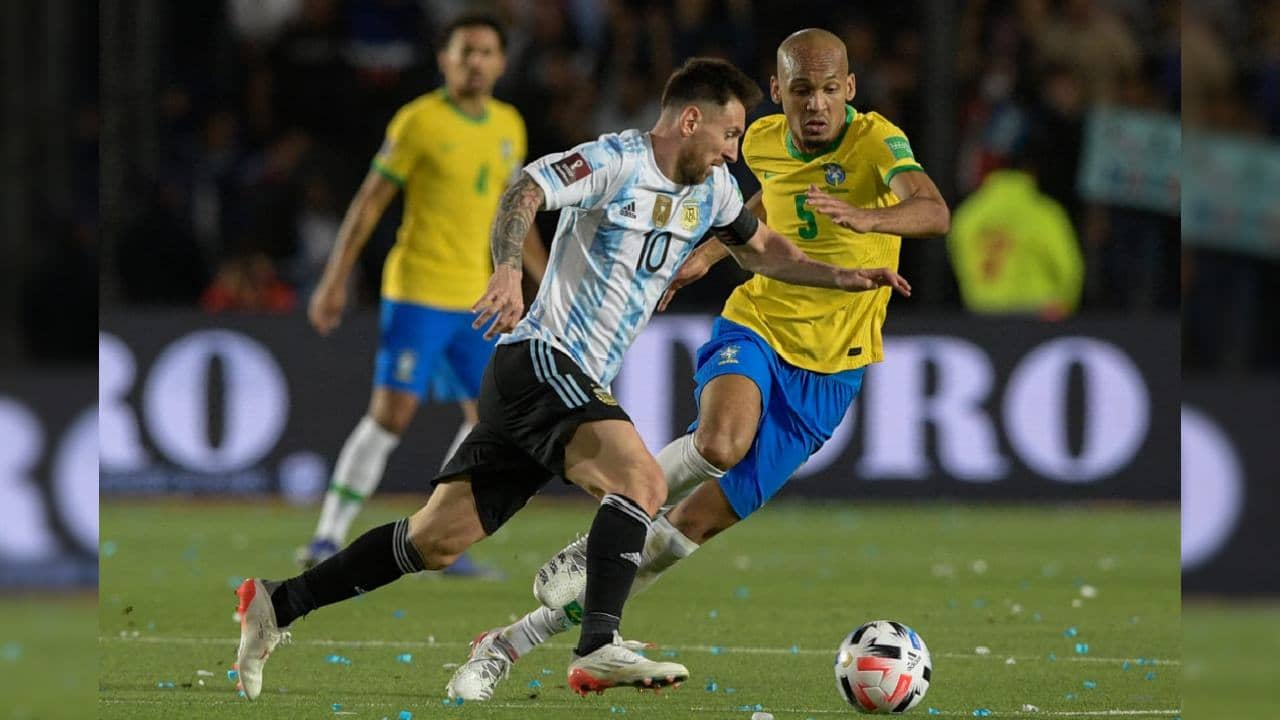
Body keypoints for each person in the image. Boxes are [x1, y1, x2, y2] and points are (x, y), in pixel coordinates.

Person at [234, 55, 911, 702]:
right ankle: (598, 645)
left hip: (554, 385)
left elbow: (765, 250)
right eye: (730, 134)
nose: (734, 152)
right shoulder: (617, 161)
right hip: (541, 360)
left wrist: (844, 276)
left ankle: (278, 603)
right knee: (641, 483)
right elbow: (525, 190)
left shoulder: (713, 192)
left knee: (433, 540)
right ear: (690, 121)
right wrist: (507, 269)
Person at [444, 28, 950, 702]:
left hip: (833, 370)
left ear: (850, 89)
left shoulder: (877, 141)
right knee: (720, 442)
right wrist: (708, 255)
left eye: (830, 90)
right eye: (802, 90)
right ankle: (606, 529)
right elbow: (759, 206)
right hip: (760, 323)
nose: (816, 104)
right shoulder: (759, 139)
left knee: (682, 534)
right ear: (777, 91)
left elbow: (934, 211)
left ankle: (509, 642)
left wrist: (868, 218)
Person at [297, 13, 547, 576]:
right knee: (392, 415)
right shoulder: (418, 121)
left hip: (477, 299)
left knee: (486, 420)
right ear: (444, 59)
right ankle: (326, 535)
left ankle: (436, 535)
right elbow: (369, 202)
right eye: (465, 51)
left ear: (501, 63)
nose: (475, 61)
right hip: (417, 290)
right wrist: (335, 279)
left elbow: (515, 216)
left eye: (485, 52)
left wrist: (548, 279)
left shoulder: (508, 125)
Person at [948, 135, 1083, 320]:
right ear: (1031, 173)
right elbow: (1068, 266)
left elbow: (959, 260)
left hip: (983, 313)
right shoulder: (1044, 212)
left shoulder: (968, 213)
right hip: (1038, 313)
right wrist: (1066, 301)